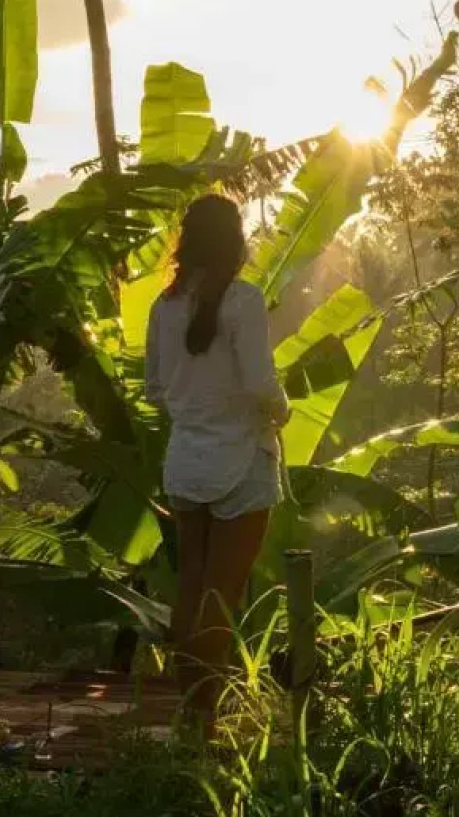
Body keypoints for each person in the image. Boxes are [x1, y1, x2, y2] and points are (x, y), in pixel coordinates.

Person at [144, 194, 290, 740]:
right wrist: (283, 410)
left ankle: (192, 713)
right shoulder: (243, 301)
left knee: (191, 589)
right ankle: (204, 720)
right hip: (242, 461)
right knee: (222, 595)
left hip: (185, 463)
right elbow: (259, 384)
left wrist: (195, 407)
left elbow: (155, 388)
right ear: (235, 241)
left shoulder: (164, 305)